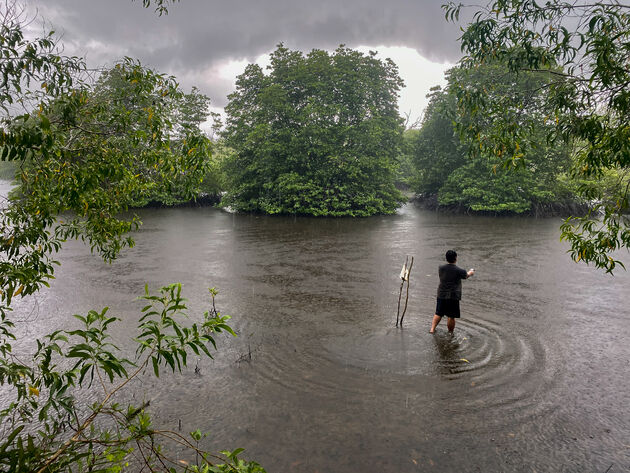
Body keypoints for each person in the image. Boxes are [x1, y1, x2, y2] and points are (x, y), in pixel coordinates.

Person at [429, 249, 474, 334]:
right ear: (455, 258)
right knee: (451, 316)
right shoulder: (460, 270)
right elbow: (466, 276)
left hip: (441, 293)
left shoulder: (441, 268)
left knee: (438, 313)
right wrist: (471, 272)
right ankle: (450, 333)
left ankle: (432, 329)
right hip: (453, 296)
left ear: (446, 258)